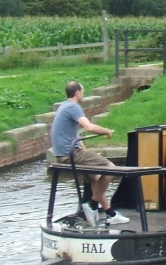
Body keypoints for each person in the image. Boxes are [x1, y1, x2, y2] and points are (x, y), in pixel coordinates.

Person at [50, 80, 129, 227]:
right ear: (77, 93)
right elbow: (89, 127)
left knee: (96, 177)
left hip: (63, 153)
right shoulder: (74, 107)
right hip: (70, 154)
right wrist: (107, 131)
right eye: (83, 92)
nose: (84, 95)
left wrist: (84, 151)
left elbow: (72, 136)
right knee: (111, 168)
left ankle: (110, 214)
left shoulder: (64, 106)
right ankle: (92, 205)